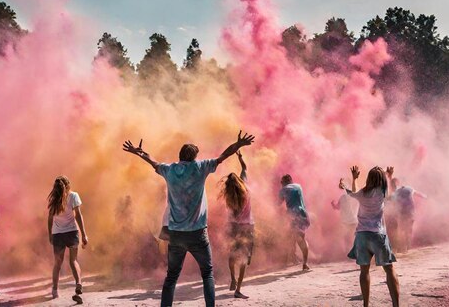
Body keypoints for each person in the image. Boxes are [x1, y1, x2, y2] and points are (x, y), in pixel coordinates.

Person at [123, 130, 255, 307]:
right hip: (198, 233)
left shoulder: (169, 170)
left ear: (180, 156)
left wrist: (139, 153)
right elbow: (224, 155)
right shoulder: (200, 167)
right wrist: (238, 145)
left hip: (176, 234)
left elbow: (152, 161)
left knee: (171, 277)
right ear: (194, 157)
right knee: (207, 273)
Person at [343, 165, 399, 307]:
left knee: (364, 271)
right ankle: (396, 305)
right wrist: (389, 176)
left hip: (362, 236)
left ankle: (366, 305)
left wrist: (354, 178)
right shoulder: (381, 192)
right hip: (378, 235)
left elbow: (352, 192)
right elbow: (393, 192)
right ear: (381, 180)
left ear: (368, 178)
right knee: (389, 269)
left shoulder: (362, 193)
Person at [47, 176, 88, 303]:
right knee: (73, 261)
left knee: (57, 264)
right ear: (68, 185)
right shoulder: (74, 196)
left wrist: (50, 234)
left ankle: (54, 291)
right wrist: (84, 234)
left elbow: (50, 219)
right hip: (72, 233)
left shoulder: (53, 200)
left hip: (58, 234)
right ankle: (78, 284)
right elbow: (78, 216)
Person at [219, 151, 254, 299]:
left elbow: (232, 216)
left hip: (233, 227)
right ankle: (238, 289)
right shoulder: (245, 186)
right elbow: (245, 168)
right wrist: (240, 158)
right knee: (244, 258)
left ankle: (232, 279)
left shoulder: (229, 197)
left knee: (232, 254)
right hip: (246, 227)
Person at [386, 167, 427, 253]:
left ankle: (403, 249)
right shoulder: (408, 189)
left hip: (403, 214)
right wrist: (426, 197)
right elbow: (421, 195)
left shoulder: (396, 193)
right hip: (410, 214)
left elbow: (390, 197)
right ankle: (406, 249)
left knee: (402, 231)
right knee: (407, 231)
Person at [278, 174, 311, 270]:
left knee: (296, 238)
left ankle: (291, 259)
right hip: (303, 214)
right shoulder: (298, 186)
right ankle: (302, 261)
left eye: (281, 182)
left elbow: (278, 203)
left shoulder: (283, 189)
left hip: (293, 216)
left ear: (283, 182)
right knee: (299, 238)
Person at [331, 178, 359, 251]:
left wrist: (333, 204)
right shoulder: (356, 196)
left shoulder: (343, 197)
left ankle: (350, 253)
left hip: (346, 222)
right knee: (353, 238)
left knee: (347, 239)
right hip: (354, 221)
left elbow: (337, 207)